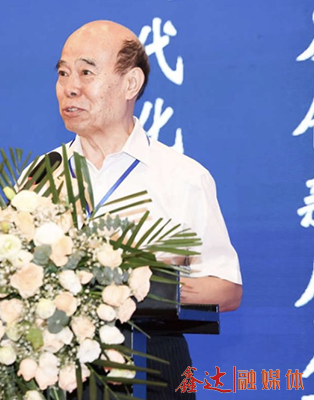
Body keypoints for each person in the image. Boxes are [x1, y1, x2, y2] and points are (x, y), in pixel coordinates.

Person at [52, 20, 243, 399]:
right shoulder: (43, 175)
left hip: (151, 366)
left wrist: (140, 286)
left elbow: (226, 289)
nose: (70, 87)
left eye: (86, 72)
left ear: (131, 84)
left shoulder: (183, 177)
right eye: (62, 73)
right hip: (53, 371)